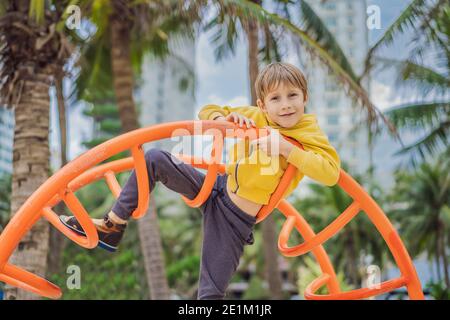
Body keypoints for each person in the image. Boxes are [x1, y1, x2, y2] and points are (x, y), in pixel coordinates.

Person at [60, 62, 340, 299]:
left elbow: (330, 172)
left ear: (305, 98)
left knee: (209, 294)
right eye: (275, 99)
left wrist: (287, 149)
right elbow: (207, 110)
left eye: (293, 96)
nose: (286, 105)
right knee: (154, 158)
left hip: (235, 218)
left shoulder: (309, 133)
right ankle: (113, 225)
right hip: (215, 185)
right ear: (262, 104)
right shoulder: (255, 116)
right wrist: (224, 118)